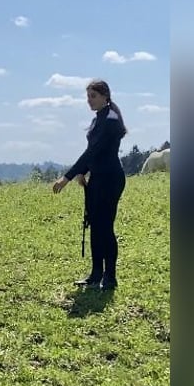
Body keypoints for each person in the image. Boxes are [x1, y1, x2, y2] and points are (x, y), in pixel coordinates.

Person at [52, 79, 127, 290]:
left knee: (105, 227)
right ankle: (95, 274)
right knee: (94, 226)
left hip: (110, 179)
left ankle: (110, 277)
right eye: (88, 97)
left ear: (105, 96)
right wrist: (84, 172)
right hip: (98, 177)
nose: (89, 101)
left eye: (93, 96)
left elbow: (93, 151)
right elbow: (94, 152)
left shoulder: (110, 120)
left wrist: (67, 177)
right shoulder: (98, 119)